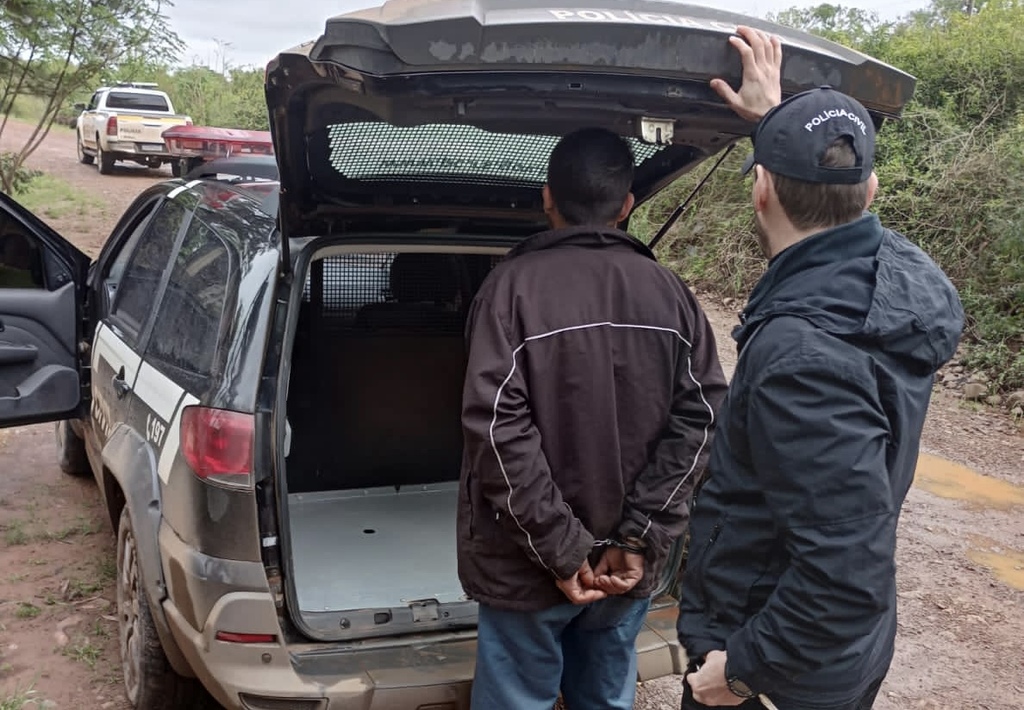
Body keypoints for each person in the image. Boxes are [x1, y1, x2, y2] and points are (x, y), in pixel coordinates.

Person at [676, 32, 965, 710]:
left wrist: (740, 671)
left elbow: (845, 577)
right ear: (871, 189)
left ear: (760, 191)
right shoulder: (899, 284)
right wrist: (776, 125)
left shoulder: (802, 357)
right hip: (837, 661)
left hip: (779, 672)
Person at [456, 128, 734, 706]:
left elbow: (497, 431)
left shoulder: (508, 289)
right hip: (622, 567)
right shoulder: (671, 294)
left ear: (546, 198)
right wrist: (637, 537)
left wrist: (561, 550)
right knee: (606, 697)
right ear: (627, 205)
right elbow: (705, 414)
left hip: (528, 567)